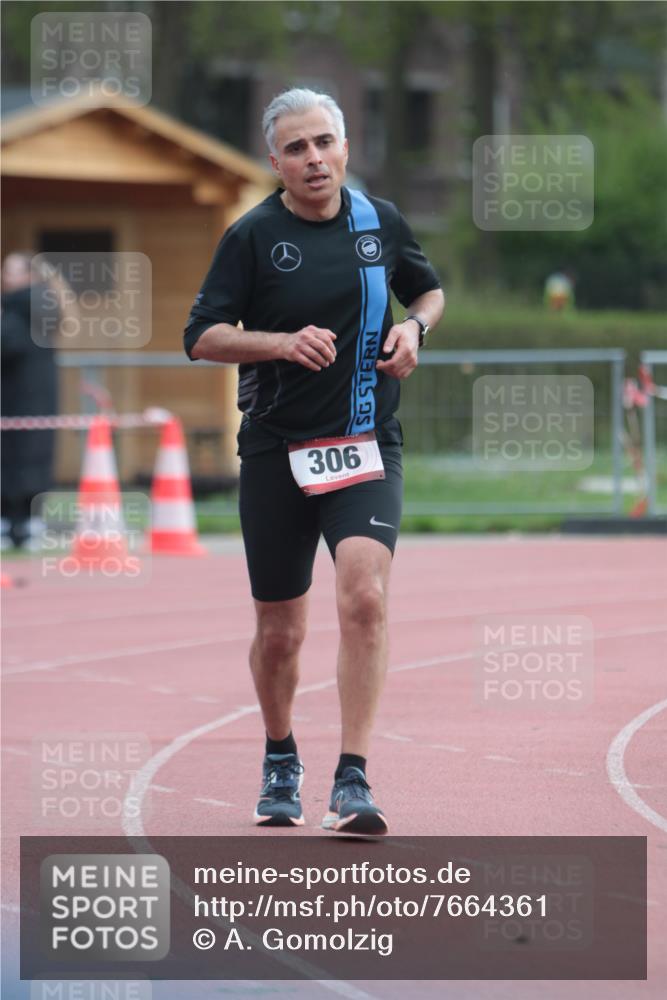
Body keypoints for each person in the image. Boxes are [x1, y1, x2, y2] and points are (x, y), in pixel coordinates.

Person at [184, 88, 445, 835]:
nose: (313, 158)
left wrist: (415, 333)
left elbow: (426, 292)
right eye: (295, 148)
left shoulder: (378, 222)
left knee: (364, 597)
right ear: (275, 162)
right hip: (275, 449)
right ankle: (278, 756)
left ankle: (353, 777)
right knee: (280, 631)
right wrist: (278, 342)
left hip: (365, 444)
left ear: (345, 147)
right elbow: (200, 335)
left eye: (323, 142)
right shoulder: (253, 236)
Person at [1, 254, 62, 550]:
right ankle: (26, 525)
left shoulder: (20, 308)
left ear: (31, 276)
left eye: (12, 271)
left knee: (17, 460)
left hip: (19, 400)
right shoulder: (45, 306)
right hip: (33, 400)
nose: (6, 277)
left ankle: (17, 525)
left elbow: (8, 345)